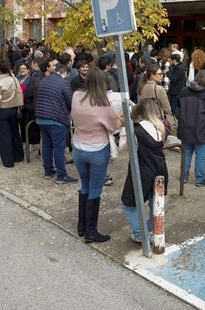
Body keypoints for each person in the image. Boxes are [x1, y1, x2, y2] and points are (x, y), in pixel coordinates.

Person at [71, 67, 121, 243]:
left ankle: (81, 226)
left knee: (84, 186)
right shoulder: (103, 103)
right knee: (95, 189)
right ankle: (91, 231)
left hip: (78, 148)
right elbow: (114, 127)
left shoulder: (76, 96)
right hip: (98, 149)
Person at [122, 98, 169, 244]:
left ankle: (140, 234)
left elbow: (123, 147)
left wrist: (125, 127)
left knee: (128, 205)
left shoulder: (136, 130)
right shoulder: (159, 127)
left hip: (141, 171)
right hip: (160, 170)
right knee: (155, 204)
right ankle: (150, 229)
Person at [35, 64, 78, 184]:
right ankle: (61, 176)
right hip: (56, 119)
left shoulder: (44, 80)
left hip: (41, 118)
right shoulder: (64, 83)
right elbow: (71, 102)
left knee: (47, 146)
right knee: (59, 148)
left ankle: (48, 171)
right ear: (65, 74)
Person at [177, 70, 205, 187]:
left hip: (185, 127)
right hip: (202, 129)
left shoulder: (183, 91)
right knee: (201, 156)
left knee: (186, 153)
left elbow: (178, 107)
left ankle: (184, 177)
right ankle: (200, 179)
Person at [0, 59, 24, 168]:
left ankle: (8, 161)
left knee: (4, 136)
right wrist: (19, 106)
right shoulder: (14, 79)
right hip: (13, 108)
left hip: (2, 110)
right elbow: (19, 93)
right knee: (15, 133)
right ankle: (18, 156)